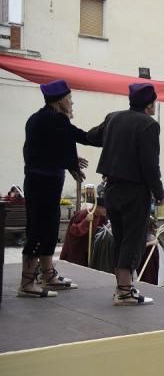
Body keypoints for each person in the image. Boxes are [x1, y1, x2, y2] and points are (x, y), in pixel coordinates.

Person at [18, 80, 97, 297]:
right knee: (39, 229)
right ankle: (27, 283)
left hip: (40, 181)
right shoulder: (56, 119)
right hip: (44, 182)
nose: (72, 103)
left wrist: (69, 162)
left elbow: (47, 148)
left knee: (50, 228)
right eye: (70, 99)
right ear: (61, 101)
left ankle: (47, 274)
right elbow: (78, 136)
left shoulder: (37, 119)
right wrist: (108, 131)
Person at [87, 83, 164, 305]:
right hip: (135, 191)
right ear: (149, 104)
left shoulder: (113, 118)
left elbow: (92, 137)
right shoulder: (149, 125)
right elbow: (150, 165)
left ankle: (122, 287)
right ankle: (124, 290)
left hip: (111, 188)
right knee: (133, 239)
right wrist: (159, 192)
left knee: (119, 238)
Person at [60, 199, 109, 268]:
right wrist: (86, 221)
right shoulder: (82, 214)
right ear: (97, 207)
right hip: (77, 251)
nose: (106, 210)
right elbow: (74, 231)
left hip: (90, 251)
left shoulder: (103, 217)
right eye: (105, 208)